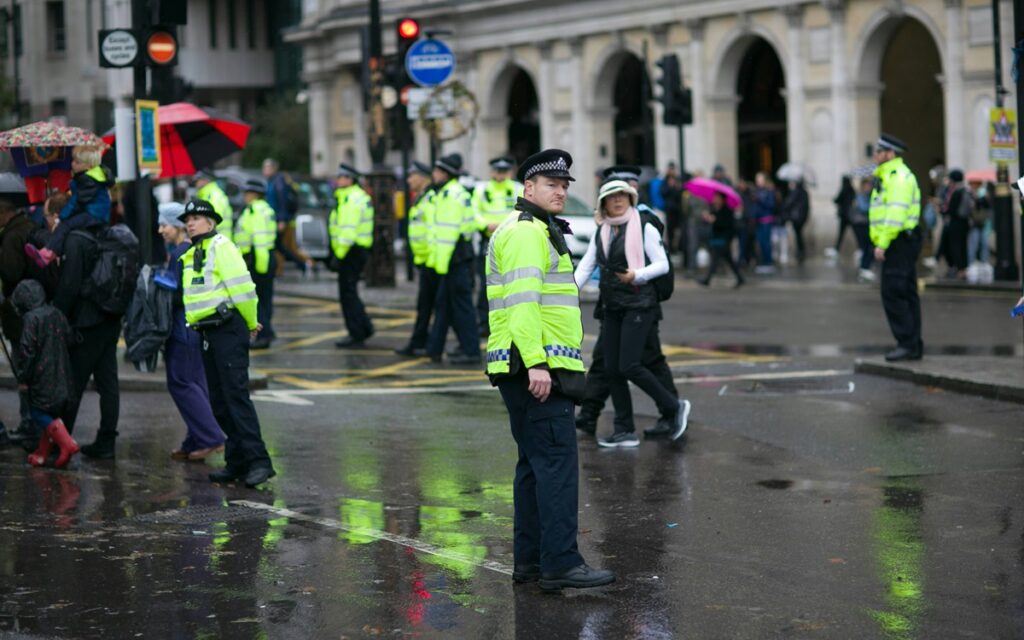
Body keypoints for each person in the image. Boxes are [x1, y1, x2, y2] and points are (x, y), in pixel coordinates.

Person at [485, 148, 614, 591]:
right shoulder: (526, 233)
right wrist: (537, 363)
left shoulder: (533, 229)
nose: (560, 191)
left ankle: (532, 563)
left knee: (534, 467)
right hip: (536, 368)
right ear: (528, 189)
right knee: (556, 464)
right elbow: (523, 304)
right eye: (551, 185)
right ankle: (561, 562)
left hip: (524, 366)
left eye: (564, 185)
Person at [574, 179, 689, 448]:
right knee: (613, 370)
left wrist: (637, 275)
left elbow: (662, 264)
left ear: (630, 198)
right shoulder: (601, 231)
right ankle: (624, 430)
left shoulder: (644, 226)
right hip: (612, 305)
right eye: (612, 197)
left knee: (629, 365)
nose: (617, 201)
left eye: (622, 196)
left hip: (640, 304)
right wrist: (566, 293)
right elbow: (585, 266)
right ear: (603, 204)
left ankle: (673, 406)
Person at [178, 198, 275, 487]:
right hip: (207, 333)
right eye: (187, 219)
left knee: (236, 397)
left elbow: (244, 289)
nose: (190, 223)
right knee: (219, 402)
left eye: (196, 218)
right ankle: (237, 462)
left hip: (228, 329)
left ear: (211, 222)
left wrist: (249, 322)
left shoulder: (222, 247)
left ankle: (260, 462)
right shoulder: (193, 253)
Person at [52, 188, 121, 460]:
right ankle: (106, 442)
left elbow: (69, 285)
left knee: (74, 384)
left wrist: (57, 315)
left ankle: (62, 441)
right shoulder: (109, 232)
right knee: (108, 383)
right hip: (110, 318)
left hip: (86, 322)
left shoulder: (76, 239)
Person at [157, 203, 225, 461]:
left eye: (165, 225)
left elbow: (177, 295)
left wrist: (158, 284)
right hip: (196, 328)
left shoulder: (179, 253)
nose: (161, 230)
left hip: (182, 328)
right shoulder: (194, 249)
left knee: (181, 382)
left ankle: (211, 436)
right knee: (195, 383)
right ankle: (194, 439)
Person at [12, 280, 78, 468]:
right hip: (62, 374)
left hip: (42, 378)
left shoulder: (31, 319)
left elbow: (26, 352)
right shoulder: (55, 312)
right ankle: (43, 452)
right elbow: (70, 338)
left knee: (38, 412)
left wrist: (23, 377)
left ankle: (66, 442)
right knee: (50, 413)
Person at [870, 134, 924, 362]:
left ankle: (907, 344)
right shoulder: (889, 176)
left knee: (894, 293)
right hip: (901, 240)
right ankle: (912, 344)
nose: (875, 155)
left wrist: (882, 243)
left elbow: (895, 214)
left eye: (879, 151)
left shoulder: (897, 177)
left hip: (898, 241)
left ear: (890, 153)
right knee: (906, 292)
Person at [426, 154, 481, 365]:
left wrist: (439, 265)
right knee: (445, 305)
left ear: (445, 173)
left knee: (462, 306)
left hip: (454, 258)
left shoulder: (451, 195)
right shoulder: (451, 192)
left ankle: (471, 351)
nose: (434, 175)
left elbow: (448, 234)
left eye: (437, 171)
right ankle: (435, 349)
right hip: (455, 257)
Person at [25, 145, 111, 268]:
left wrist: (63, 216)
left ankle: (48, 254)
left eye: (77, 162)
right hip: (94, 212)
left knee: (65, 225)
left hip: (94, 214)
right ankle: (50, 252)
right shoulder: (91, 177)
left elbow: (77, 201)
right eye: (73, 160)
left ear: (89, 166)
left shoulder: (87, 180)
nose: (72, 164)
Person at [0, 197, 36, 444]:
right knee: (30, 367)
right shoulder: (29, 228)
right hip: (31, 309)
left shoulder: (12, 237)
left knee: (23, 369)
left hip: (17, 312)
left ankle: (29, 422)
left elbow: (10, 272)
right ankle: (33, 421)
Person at [472, 156, 522, 335]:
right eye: (498, 171)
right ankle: (485, 324)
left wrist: (504, 227)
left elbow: (521, 212)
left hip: (510, 242)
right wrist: (485, 225)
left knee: (510, 284)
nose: (501, 175)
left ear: (510, 172)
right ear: (492, 171)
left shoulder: (517, 188)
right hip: (488, 241)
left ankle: (509, 323)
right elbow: (474, 212)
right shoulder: (482, 190)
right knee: (487, 285)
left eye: (505, 171)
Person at [329, 164, 376, 348]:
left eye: (341, 177)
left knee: (347, 295)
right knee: (351, 293)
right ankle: (364, 327)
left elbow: (348, 231)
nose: (338, 180)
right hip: (355, 250)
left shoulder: (351, 198)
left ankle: (357, 333)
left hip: (350, 252)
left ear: (350, 180)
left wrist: (338, 257)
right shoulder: (353, 197)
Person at [396, 162, 439, 357]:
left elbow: (432, 231)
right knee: (427, 305)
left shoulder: (431, 198)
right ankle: (422, 342)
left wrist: (430, 258)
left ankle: (426, 344)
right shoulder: (421, 198)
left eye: (412, 175)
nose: (408, 180)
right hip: (424, 260)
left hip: (432, 261)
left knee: (434, 305)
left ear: (423, 177)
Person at [235, 180, 278, 349]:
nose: (245, 196)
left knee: (257, 300)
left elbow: (259, 240)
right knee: (266, 300)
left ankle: (264, 335)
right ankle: (268, 332)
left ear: (254, 194)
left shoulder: (256, 210)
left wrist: (260, 267)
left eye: (247, 193)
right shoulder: (265, 209)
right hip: (264, 258)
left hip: (258, 259)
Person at [264, 158, 313, 277]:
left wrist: (282, 220)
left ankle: (305, 264)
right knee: (281, 247)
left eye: (267, 167)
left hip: (282, 220)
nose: (264, 170)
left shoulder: (279, 181)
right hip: (276, 219)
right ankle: (302, 265)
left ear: (274, 168)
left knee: (284, 247)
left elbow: (282, 202)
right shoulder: (271, 181)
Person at [698, 192, 744, 287]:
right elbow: (709, 221)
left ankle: (707, 279)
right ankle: (740, 278)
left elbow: (726, 224)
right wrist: (706, 218)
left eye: (717, 198)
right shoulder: (714, 209)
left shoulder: (727, 211)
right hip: (717, 238)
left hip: (724, 238)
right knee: (728, 260)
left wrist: (715, 220)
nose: (715, 199)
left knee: (716, 258)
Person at [938, 169, 971, 279]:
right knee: (962, 247)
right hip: (964, 223)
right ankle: (961, 269)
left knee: (956, 247)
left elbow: (951, 210)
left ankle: (959, 270)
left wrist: (941, 210)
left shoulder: (956, 192)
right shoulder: (966, 190)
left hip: (956, 224)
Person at [193, 170, 234, 240]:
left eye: (197, 180)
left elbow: (212, 220)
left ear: (205, 180)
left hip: (217, 241)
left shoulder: (213, 195)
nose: (195, 183)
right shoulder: (208, 194)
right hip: (219, 239)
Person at [750, 172, 777, 273]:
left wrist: (760, 200)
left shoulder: (769, 191)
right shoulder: (757, 191)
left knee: (766, 242)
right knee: (760, 242)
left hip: (766, 220)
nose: (758, 181)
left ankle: (768, 262)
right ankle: (763, 262)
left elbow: (771, 205)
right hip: (758, 220)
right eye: (757, 179)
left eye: (760, 179)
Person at [851, 178, 875, 282]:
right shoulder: (860, 196)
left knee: (867, 246)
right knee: (866, 246)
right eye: (867, 185)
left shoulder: (869, 195)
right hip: (860, 224)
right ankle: (864, 268)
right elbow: (864, 208)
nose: (868, 188)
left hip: (866, 223)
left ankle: (864, 267)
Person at [781, 179, 810, 264]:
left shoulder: (796, 192)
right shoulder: (804, 192)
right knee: (799, 234)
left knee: (798, 234)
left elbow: (788, 203)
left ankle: (800, 250)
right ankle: (801, 250)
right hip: (801, 217)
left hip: (796, 217)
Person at [826, 175, 856, 259]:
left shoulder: (844, 189)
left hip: (844, 215)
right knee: (853, 232)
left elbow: (838, 199)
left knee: (842, 233)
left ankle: (837, 249)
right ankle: (860, 248)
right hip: (849, 214)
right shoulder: (851, 189)